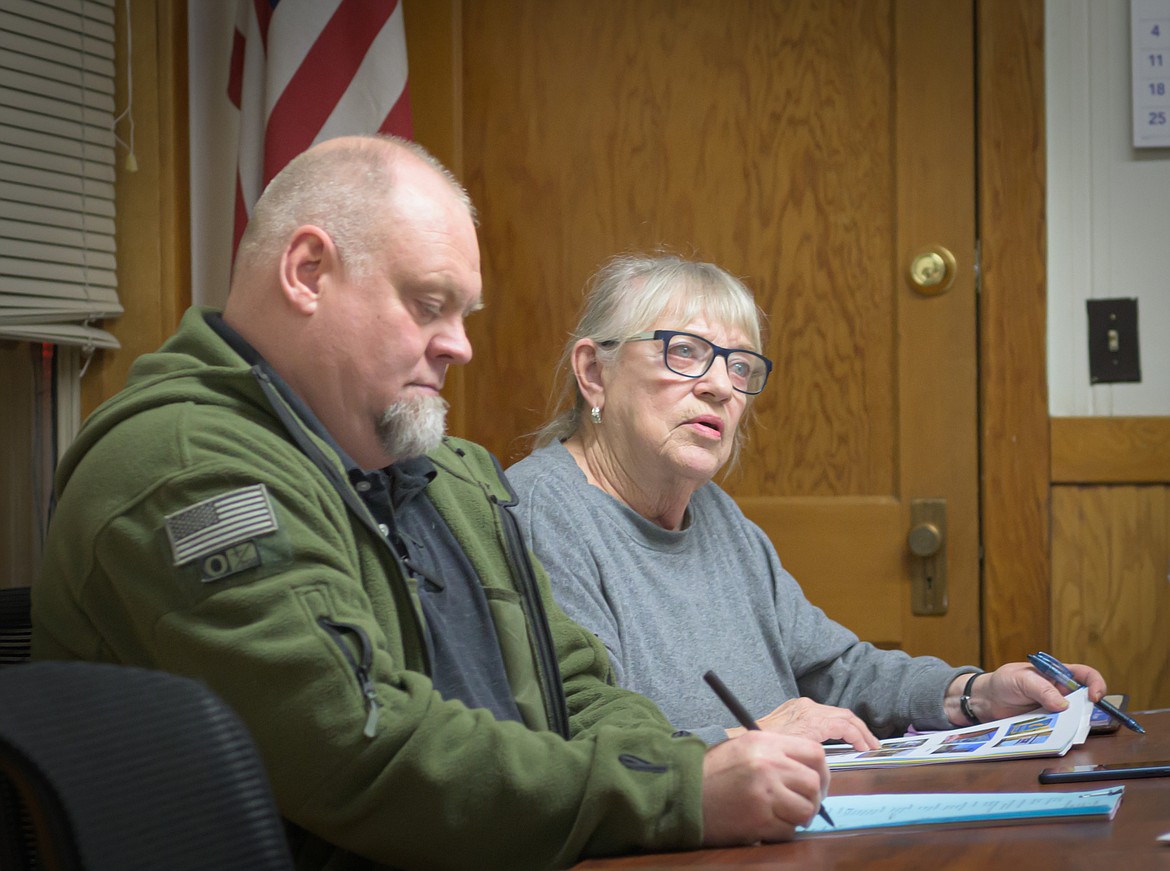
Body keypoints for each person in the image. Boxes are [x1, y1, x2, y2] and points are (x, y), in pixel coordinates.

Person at [31, 137, 836, 870]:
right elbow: (357, 745)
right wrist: (676, 790)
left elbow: (575, 685)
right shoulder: (187, 468)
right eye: (427, 304)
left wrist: (686, 771)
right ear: (308, 272)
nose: (459, 344)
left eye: (461, 313)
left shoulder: (449, 472)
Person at [506, 252, 1108, 749]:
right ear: (594, 372)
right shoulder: (541, 513)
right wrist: (755, 737)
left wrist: (974, 692)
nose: (720, 386)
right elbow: (578, 741)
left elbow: (836, 672)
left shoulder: (717, 517)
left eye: (739, 366)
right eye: (682, 351)